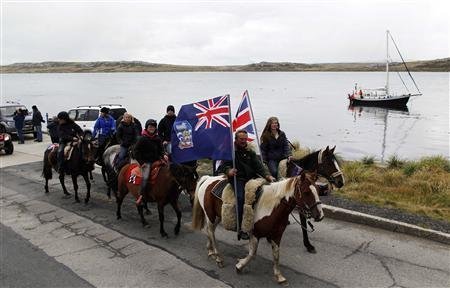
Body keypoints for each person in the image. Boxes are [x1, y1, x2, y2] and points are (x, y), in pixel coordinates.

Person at [217, 130, 275, 240]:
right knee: (240, 197)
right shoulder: (230, 151)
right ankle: (240, 227)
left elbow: (259, 167)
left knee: (263, 194)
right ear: (236, 139)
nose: (244, 141)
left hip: (250, 179)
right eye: (241, 139)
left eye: (245, 139)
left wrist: (268, 176)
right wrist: (228, 171)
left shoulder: (250, 151)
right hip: (237, 179)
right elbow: (223, 166)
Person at [133, 119, 168, 205]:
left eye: (153, 127)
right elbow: (135, 151)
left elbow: (161, 149)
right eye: (150, 126)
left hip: (157, 160)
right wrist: (141, 163)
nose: (152, 128)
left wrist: (164, 155)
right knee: (145, 177)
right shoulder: (142, 139)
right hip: (146, 162)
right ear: (147, 127)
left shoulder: (157, 138)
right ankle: (141, 195)